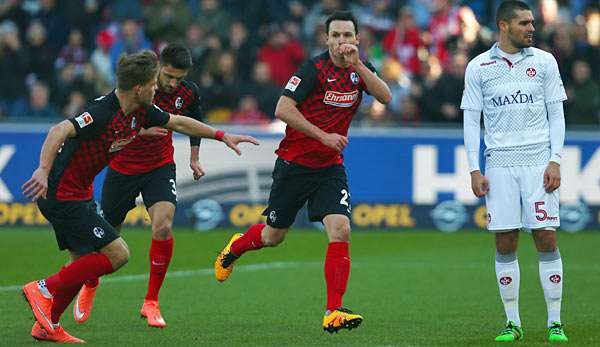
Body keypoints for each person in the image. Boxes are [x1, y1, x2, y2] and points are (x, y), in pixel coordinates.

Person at [21, 50, 258, 343]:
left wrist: (222, 136)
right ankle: (43, 288)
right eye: (153, 84)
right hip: (61, 194)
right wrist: (43, 170)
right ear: (139, 87)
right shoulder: (101, 112)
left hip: (79, 193)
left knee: (82, 262)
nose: (157, 88)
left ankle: (47, 325)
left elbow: (180, 122)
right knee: (118, 253)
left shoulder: (142, 110)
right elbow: (59, 130)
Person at [214, 10, 391, 334]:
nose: (341, 42)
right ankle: (236, 247)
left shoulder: (358, 71)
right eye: (335, 36)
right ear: (325, 39)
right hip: (295, 165)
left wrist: (359, 65)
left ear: (357, 39)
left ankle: (333, 311)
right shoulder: (313, 69)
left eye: (347, 36)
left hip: (329, 168)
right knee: (273, 236)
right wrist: (323, 136)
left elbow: (385, 96)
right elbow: (282, 108)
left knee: (341, 230)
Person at [72, 43, 205, 328]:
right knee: (108, 239)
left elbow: (194, 118)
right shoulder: (138, 86)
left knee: (164, 226)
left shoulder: (188, 92)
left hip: (159, 167)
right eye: (168, 76)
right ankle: (91, 283)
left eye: (179, 79)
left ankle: (151, 301)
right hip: (123, 168)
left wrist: (194, 157)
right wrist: (141, 132)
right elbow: (114, 120)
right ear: (157, 69)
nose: (173, 83)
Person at [461, 1, 568, 342]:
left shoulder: (545, 61)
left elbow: (557, 115)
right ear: (504, 26)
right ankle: (513, 322)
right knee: (505, 240)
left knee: (545, 235)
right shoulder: (479, 67)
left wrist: (556, 159)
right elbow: (470, 121)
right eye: (524, 23)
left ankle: (555, 322)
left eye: (532, 22)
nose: (532, 28)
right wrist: (474, 169)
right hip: (499, 163)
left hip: (538, 161)